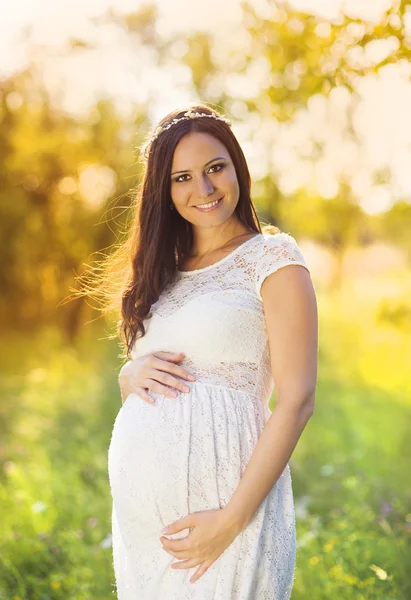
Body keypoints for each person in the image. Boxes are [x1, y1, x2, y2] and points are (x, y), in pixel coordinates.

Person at [107, 103, 318, 599]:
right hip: (146, 533)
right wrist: (129, 377)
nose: (202, 190)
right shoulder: (163, 270)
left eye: (214, 168)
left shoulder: (272, 258)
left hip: (229, 511)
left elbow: (297, 399)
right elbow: (146, 372)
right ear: (164, 188)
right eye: (182, 177)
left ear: (237, 167)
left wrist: (231, 520)